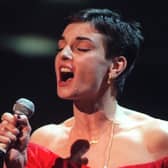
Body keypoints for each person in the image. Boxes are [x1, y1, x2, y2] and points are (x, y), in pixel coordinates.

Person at [1, 8, 168, 168]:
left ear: (116, 66)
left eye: (82, 48)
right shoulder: (45, 141)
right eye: (60, 47)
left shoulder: (159, 138)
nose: (63, 54)